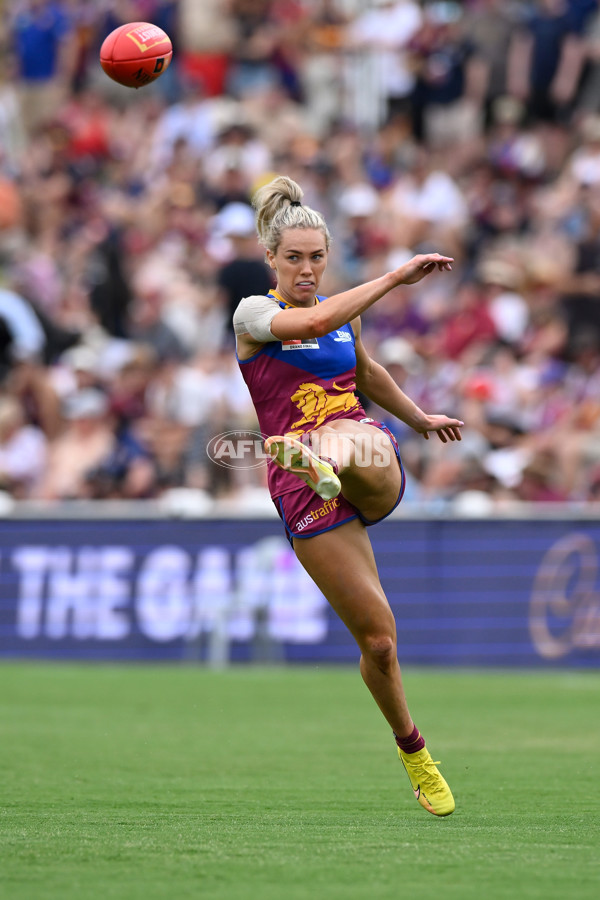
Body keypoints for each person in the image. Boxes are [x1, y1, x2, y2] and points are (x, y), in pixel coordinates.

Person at [232, 175, 463, 817]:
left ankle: (316, 455)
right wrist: (393, 278)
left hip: (363, 452)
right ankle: (415, 752)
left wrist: (418, 419)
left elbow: (365, 373)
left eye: (316, 258)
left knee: (342, 430)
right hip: (305, 492)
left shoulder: (345, 314)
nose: (307, 269)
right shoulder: (253, 314)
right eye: (294, 258)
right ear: (272, 260)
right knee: (380, 643)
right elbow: (312, 320)